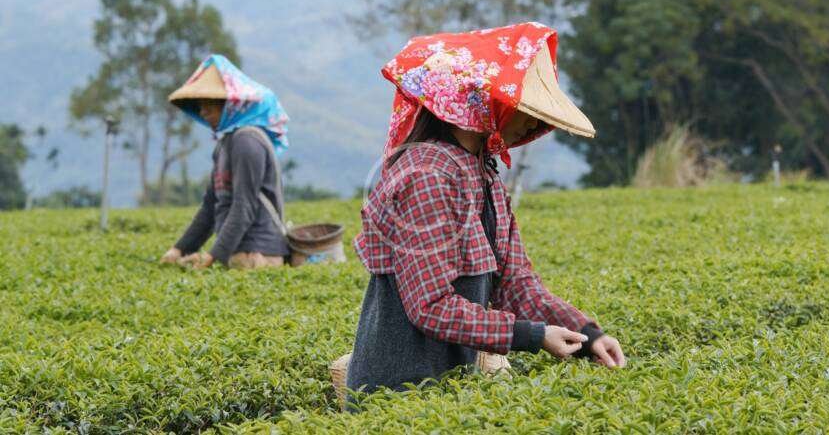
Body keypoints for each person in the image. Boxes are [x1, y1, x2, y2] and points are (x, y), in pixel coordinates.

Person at [346, 23, 626, 401]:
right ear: (485, 99)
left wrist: (588, 335)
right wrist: (533, 336)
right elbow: (430, 306)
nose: (534, 123)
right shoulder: (426, 177)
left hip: (451, 389)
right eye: (523, 108)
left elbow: (516, 284)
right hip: (397, 392)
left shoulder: (485, 176)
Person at [159, 54, 291, 269]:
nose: (203, 112)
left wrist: (213, 256)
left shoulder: (247, 141)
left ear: (231, 105)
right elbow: (210, 207)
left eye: (210, 105)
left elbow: (244, 206)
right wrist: (180, 249)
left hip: (256, 254)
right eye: (201, 106)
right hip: (237, 254)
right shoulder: (225, 144)